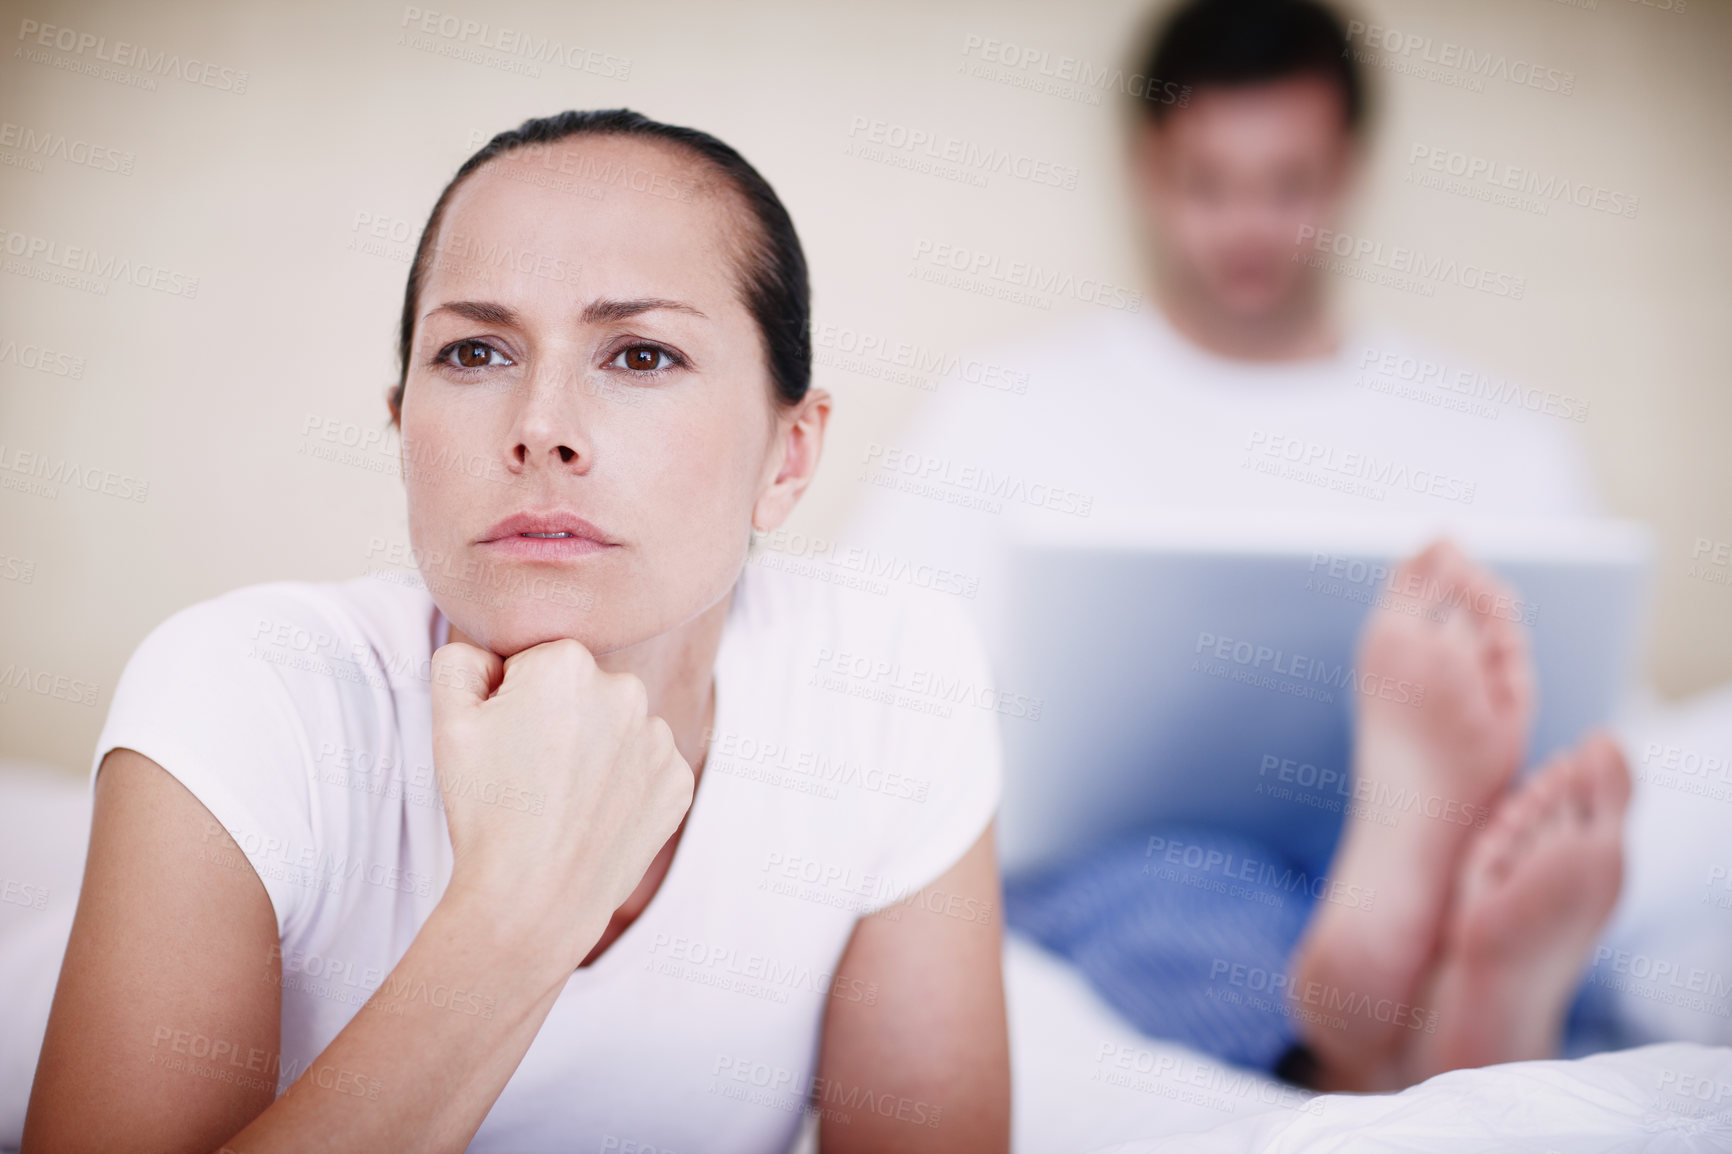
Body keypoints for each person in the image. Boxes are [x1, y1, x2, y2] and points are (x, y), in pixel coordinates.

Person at [23, 110, 1010, 1153]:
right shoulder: (245, 688)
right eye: (476, 350)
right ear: (403, 428)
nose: (541, 423)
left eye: (639, 354)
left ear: (789, 456)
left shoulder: (893, 678)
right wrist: (516, 914)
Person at [847, 0, 1618, 1091]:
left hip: (1444, 849)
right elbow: (871, 662)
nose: (1248, 225)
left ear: (1349, 168)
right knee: (1168, 896)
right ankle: (1426, 1021)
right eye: (1208, 184)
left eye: (1288, 185)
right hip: (1144, 859)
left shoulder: (1500, 438)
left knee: (1496, 872)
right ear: (1143, 169)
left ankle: (1399, 967)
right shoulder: (1010, 408)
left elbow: (1588, 717)